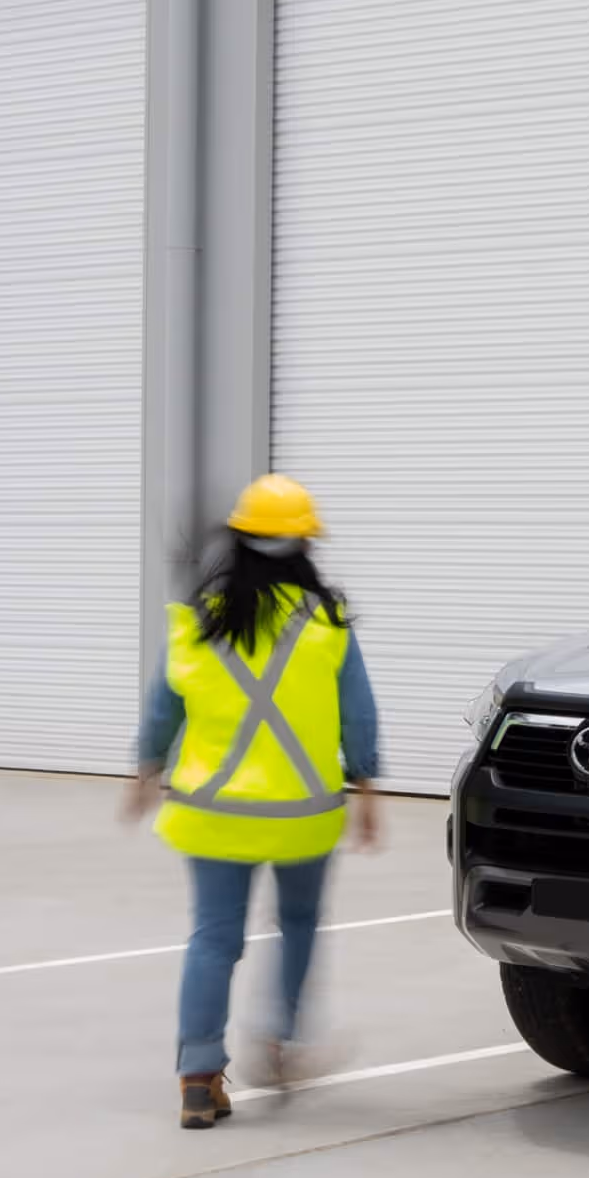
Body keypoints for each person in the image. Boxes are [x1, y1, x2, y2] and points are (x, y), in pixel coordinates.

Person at [124, 474, 383, 1129]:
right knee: (297, 924)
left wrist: (144, 769)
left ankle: (198, 1075)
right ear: (305, 548)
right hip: (302, 814)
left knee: (213, 937)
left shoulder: (196, 625)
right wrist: (370, 788)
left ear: (237, 540)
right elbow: (359, 716)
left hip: (211, 813)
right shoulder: (326, 624)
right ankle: (280, 1043)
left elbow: (162, 711)